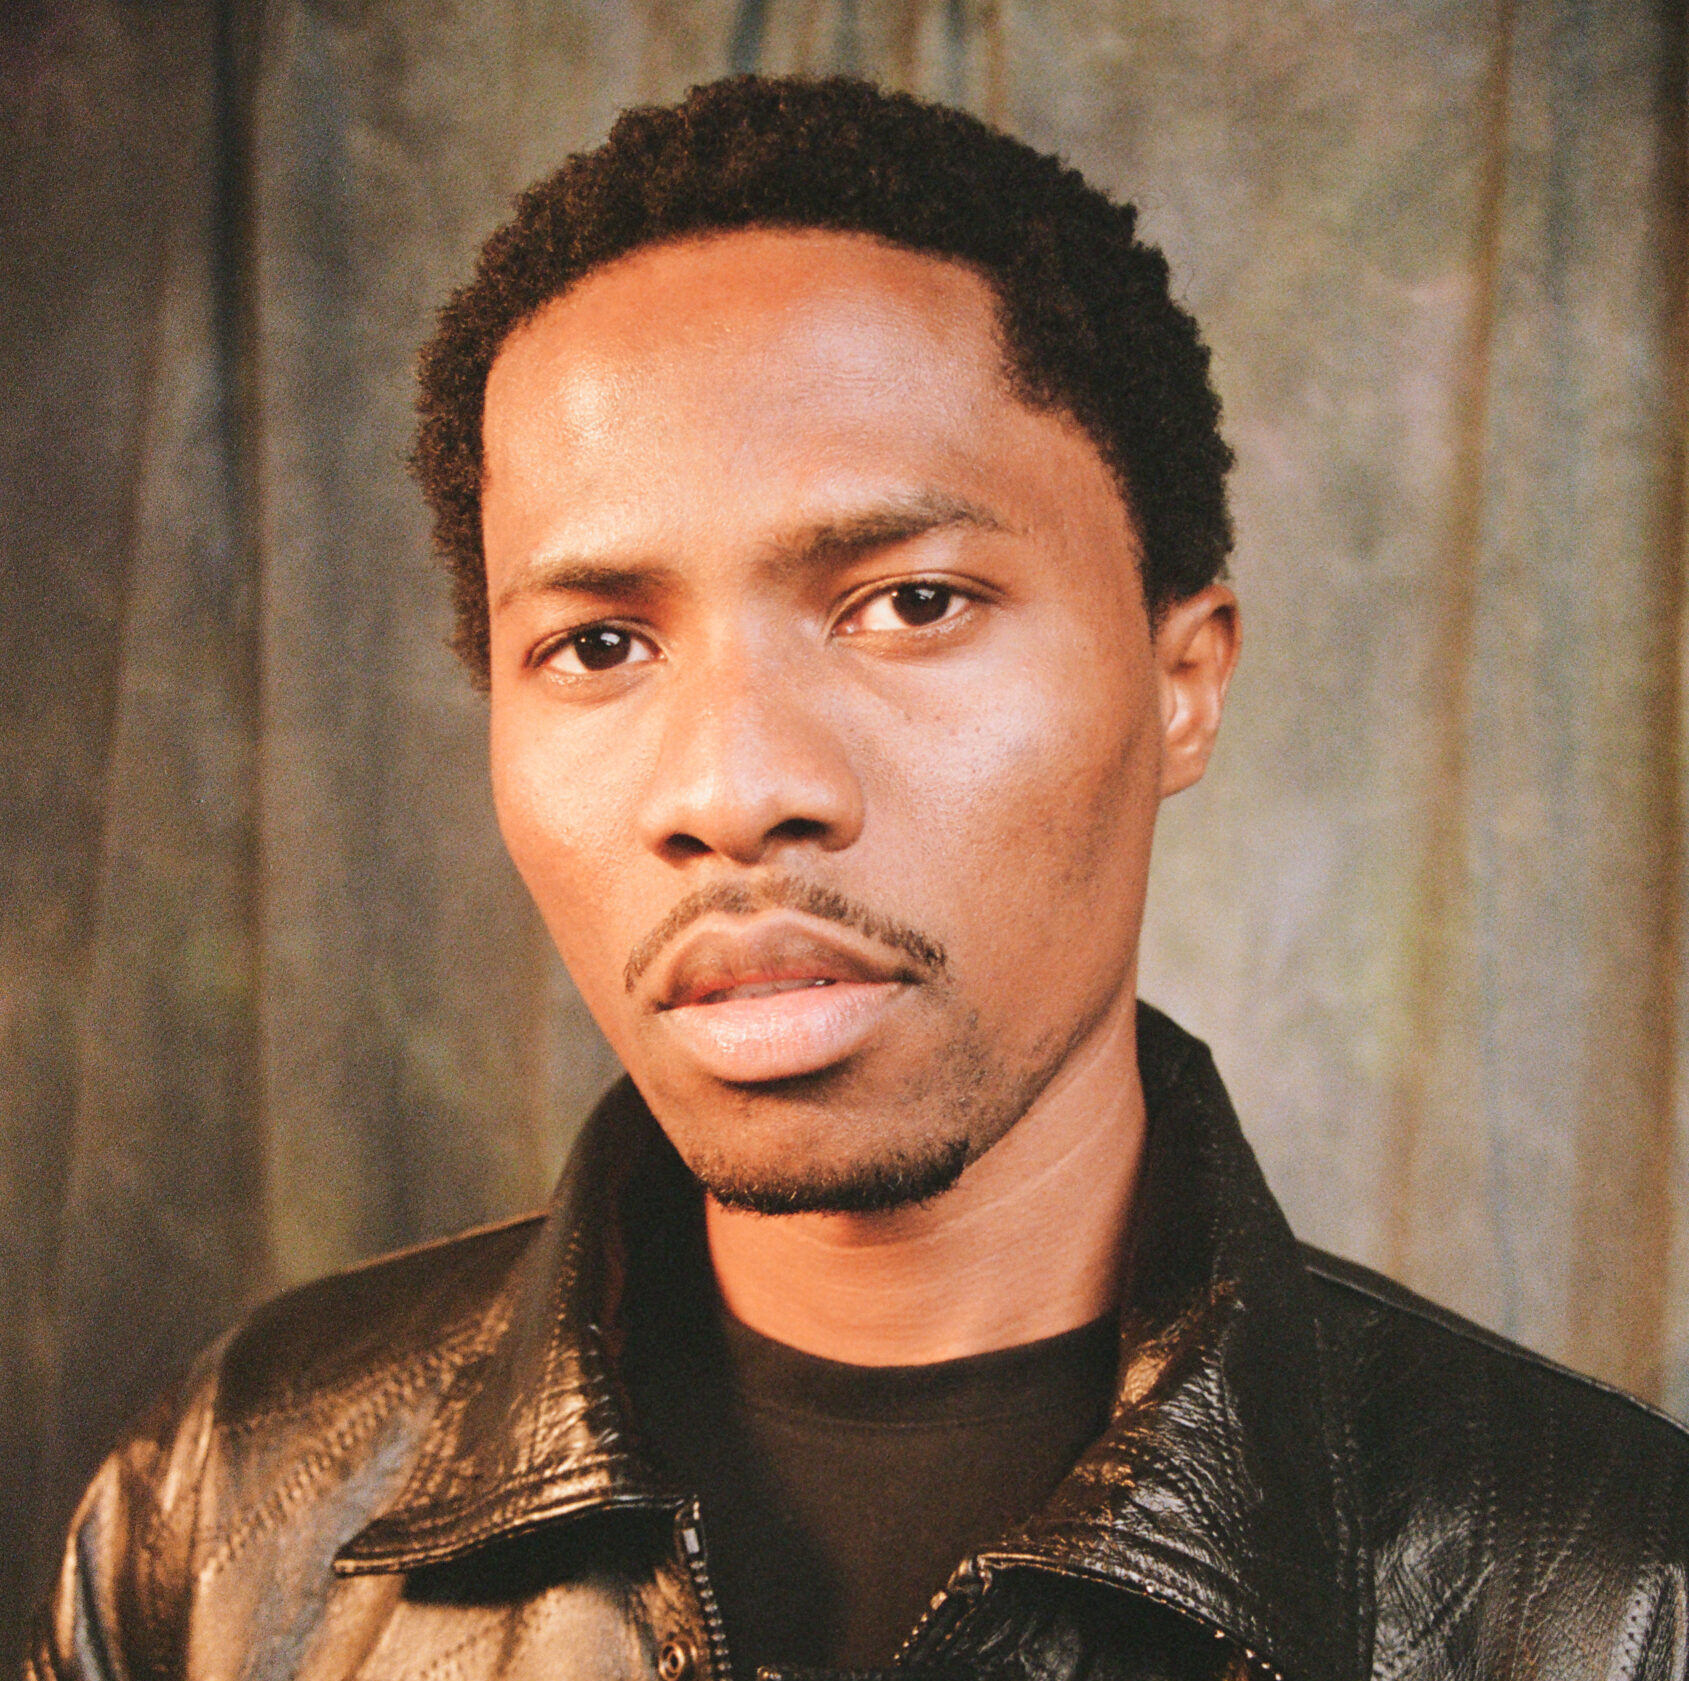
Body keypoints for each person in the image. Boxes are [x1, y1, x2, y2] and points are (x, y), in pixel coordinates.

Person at [29, 74, 1688, 1681]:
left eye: (908, 604)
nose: (734, 788)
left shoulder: (1613, 1601)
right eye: (599, 643)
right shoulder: (224, 1521)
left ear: (1180, 681)